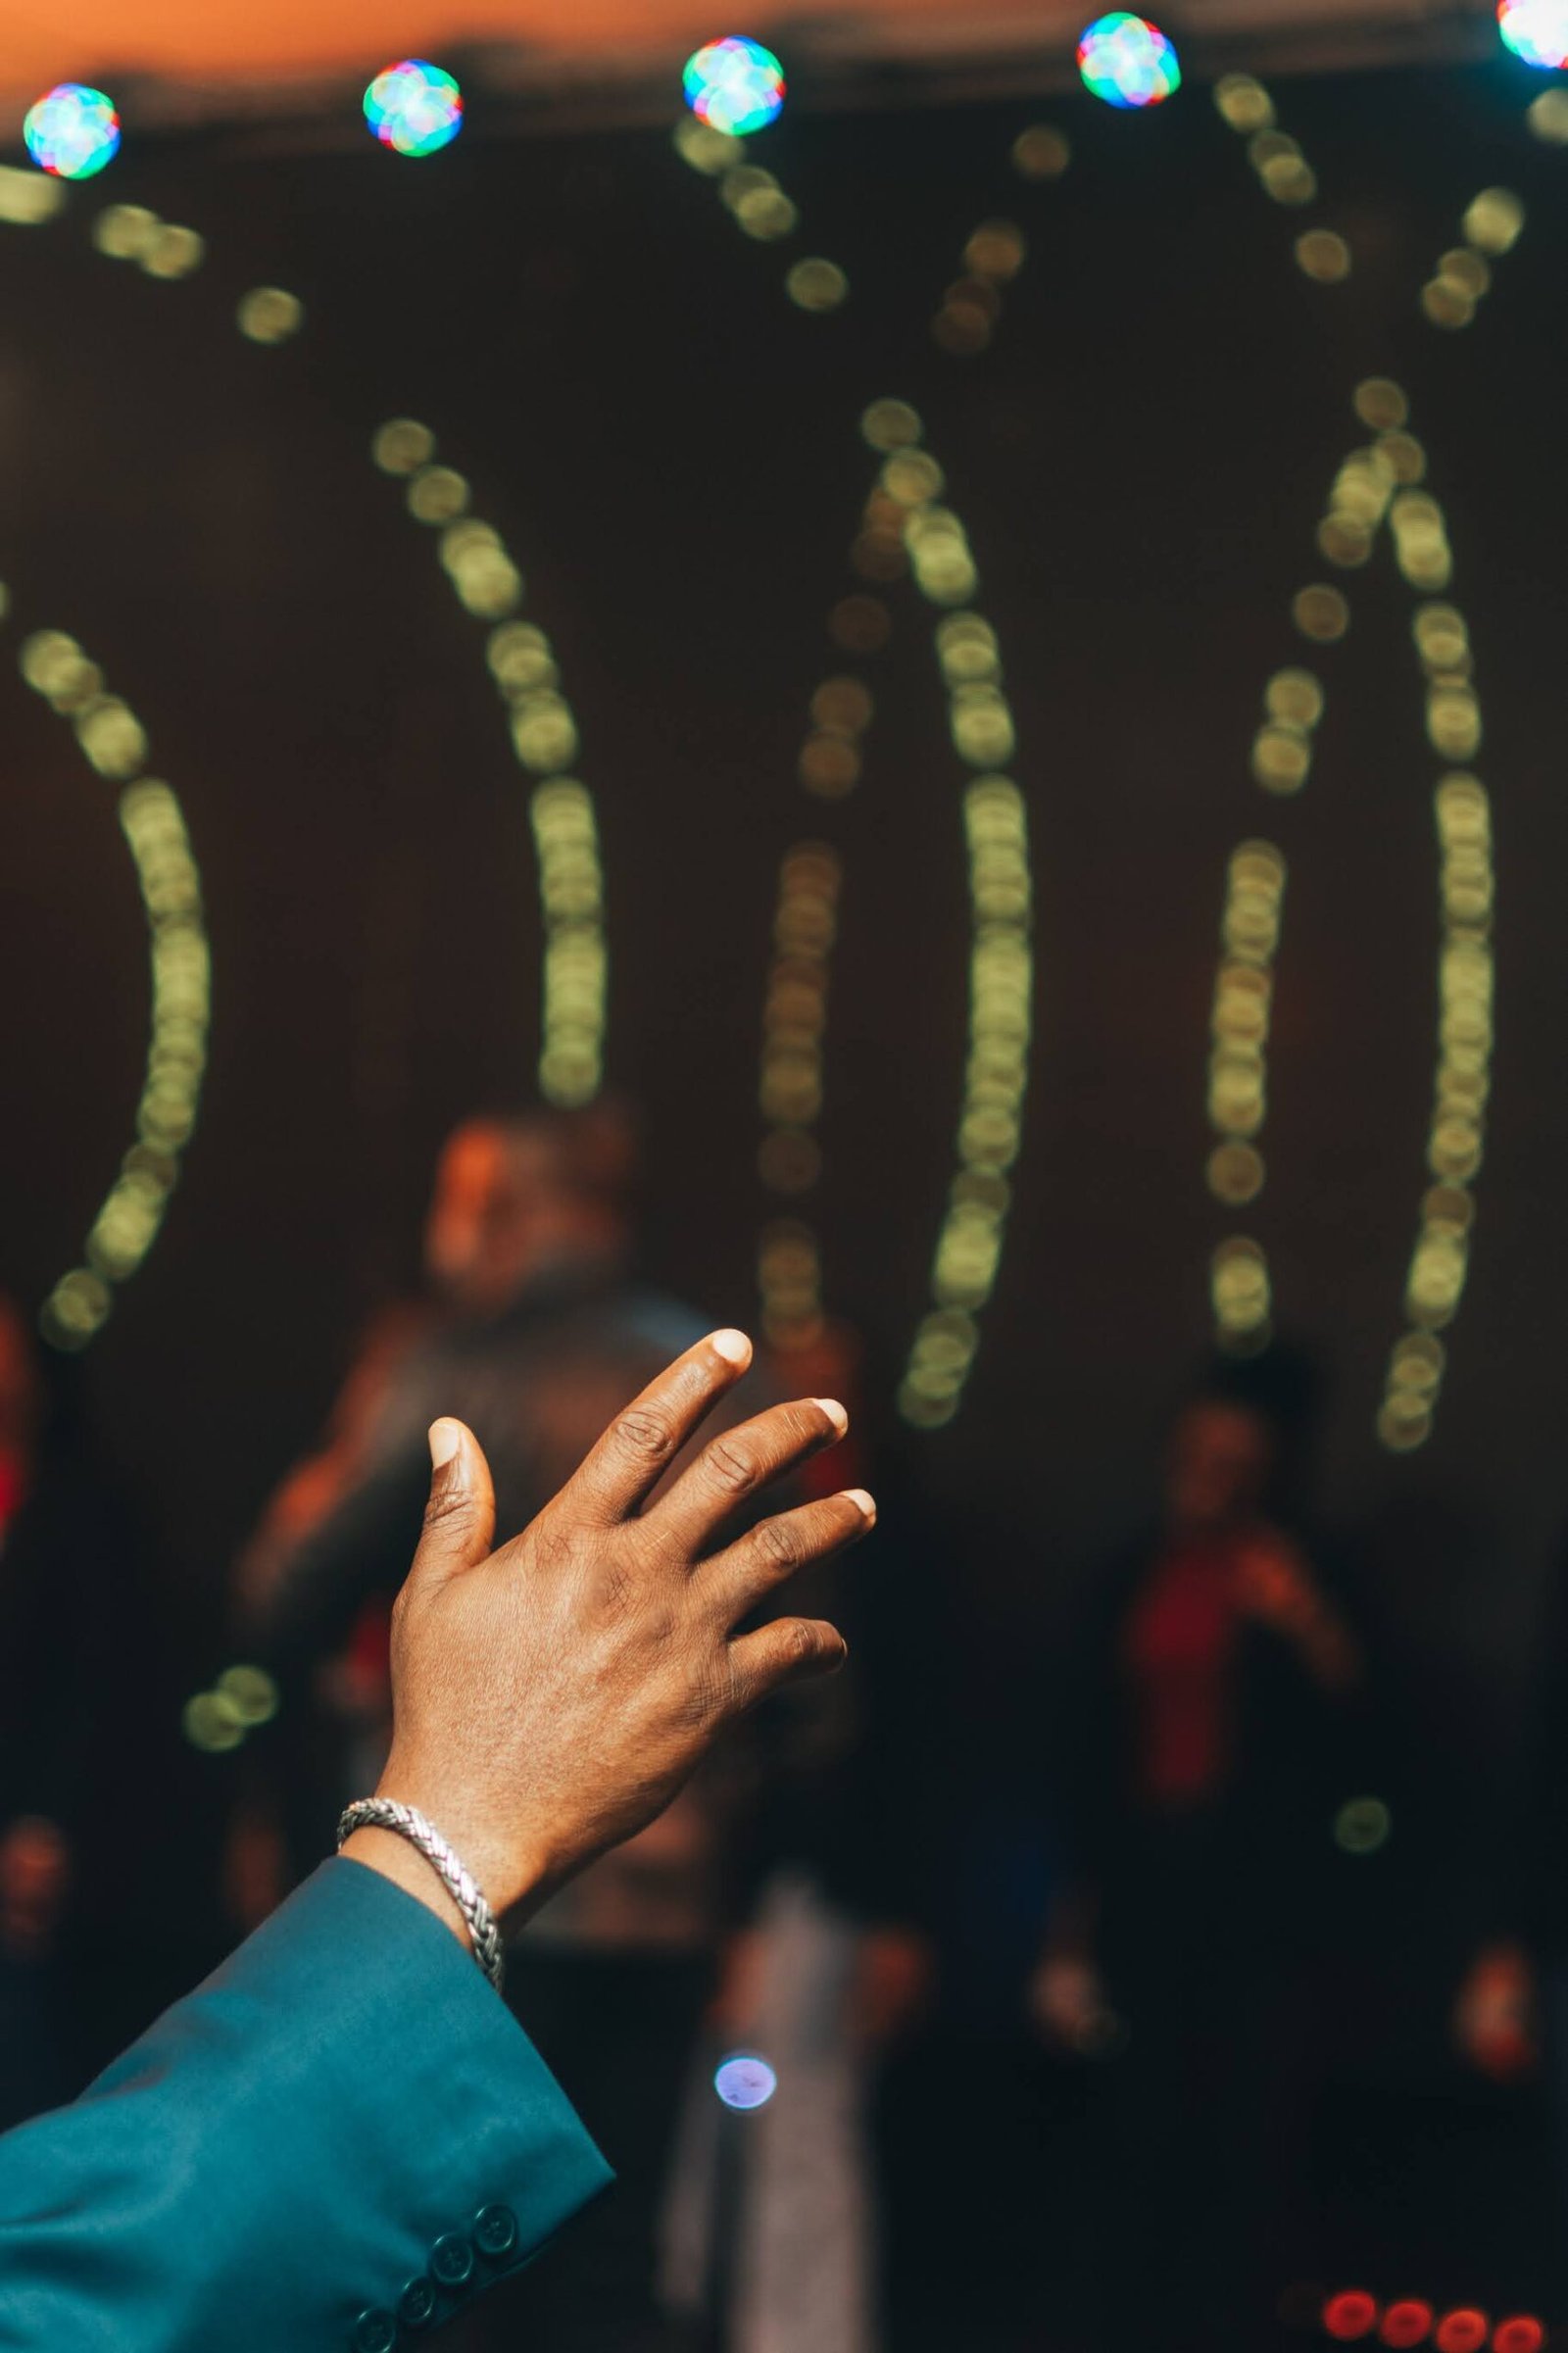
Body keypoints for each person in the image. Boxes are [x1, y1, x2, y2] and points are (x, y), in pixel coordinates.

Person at [0, 1328, 871, 2350]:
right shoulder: (586, 1358)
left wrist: (441, 1823)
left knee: (502, 2286)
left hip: (517, 1904)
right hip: (646, 1902)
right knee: (607, 2262)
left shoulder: (458, 1371)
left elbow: (283, 1599)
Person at [1031, 1352, 1360, 2353]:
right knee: (1131, 2143)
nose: (1210, 1477)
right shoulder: (1132, 1572)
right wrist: (1065, 1934)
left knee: (1248, 2156)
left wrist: (1303, 1620)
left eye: (1234, 1462)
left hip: (1259, 1904)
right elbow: (1083, 1756)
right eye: (1198, 1456)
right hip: (1143, 1887)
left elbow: (1369, 1740)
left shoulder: (1298, 1574)